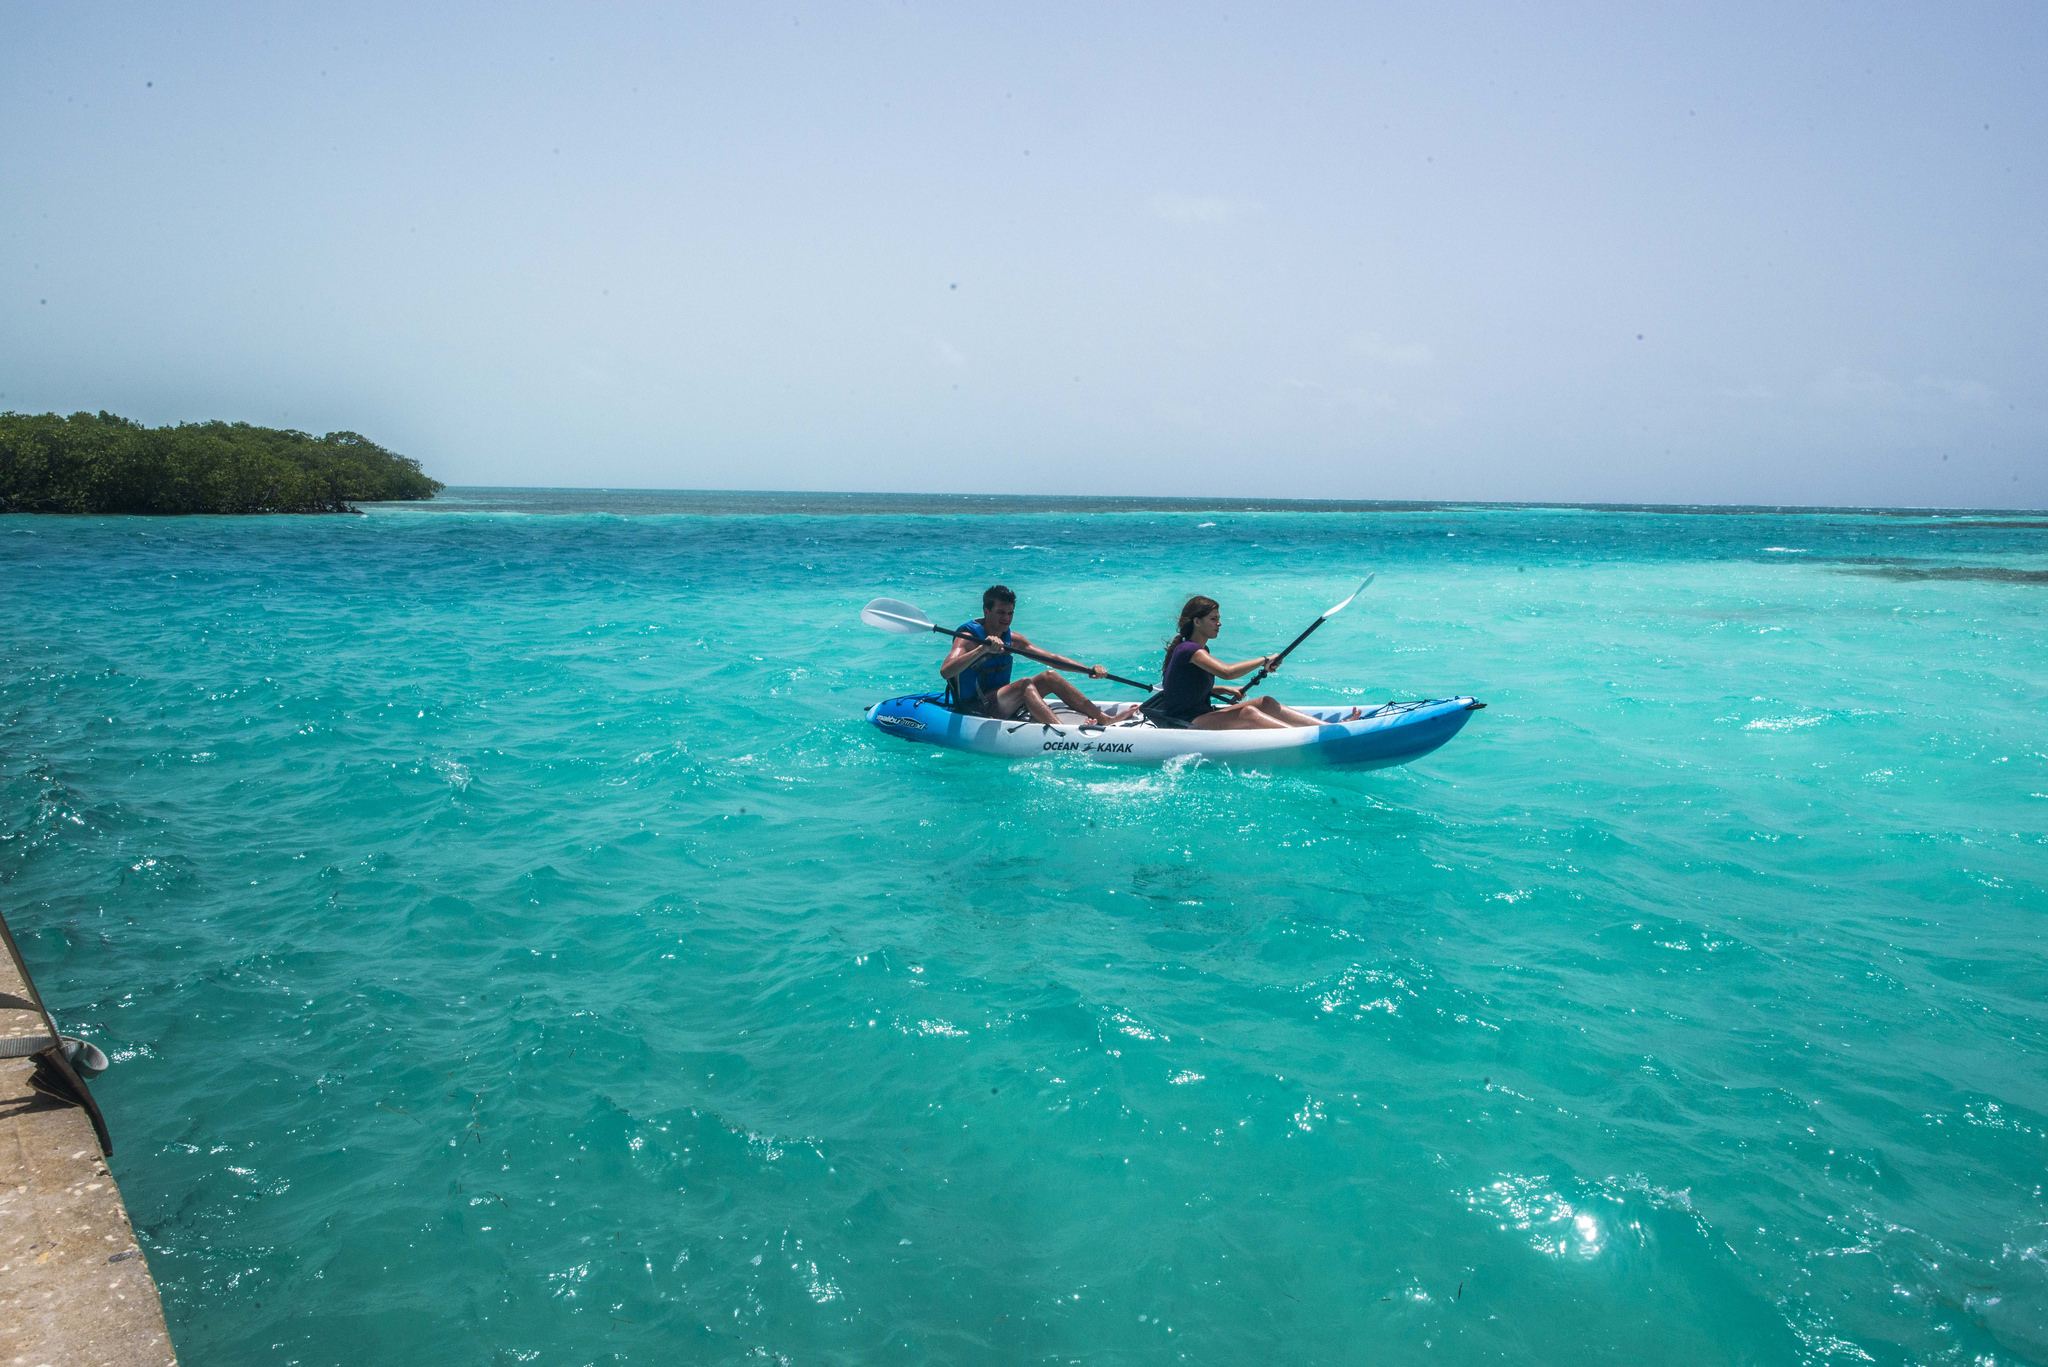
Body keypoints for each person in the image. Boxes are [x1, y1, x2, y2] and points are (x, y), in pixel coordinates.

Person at [1141, 595, 1356, 729]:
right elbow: (1227, 671)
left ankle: (1329, 729)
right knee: (1248, 713)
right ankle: (1309, 738)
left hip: (1201, 713)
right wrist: (1264, 660)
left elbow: (1184, 688)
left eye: (1218, 618)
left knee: (1265, 703)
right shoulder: (1189, 649)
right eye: (1213, 619)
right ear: (1197, 622)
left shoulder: (1199, 649)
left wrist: (1222, 689)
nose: (1219, 623)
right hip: (1184, 722)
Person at [940, 585, 1120, 725]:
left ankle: (1103, 718)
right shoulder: (968, 638)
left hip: (1002, 701)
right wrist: (982, 650)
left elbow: (1051, 658)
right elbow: (946, 671)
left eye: (1010, 613)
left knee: (1050, 676)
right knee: (1025, 684)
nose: (1006, 618)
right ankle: (1061, 731)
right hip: (977, 707)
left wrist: (1089, 670)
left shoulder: (1013, 639)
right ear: (986, 611)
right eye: (1000, 612)